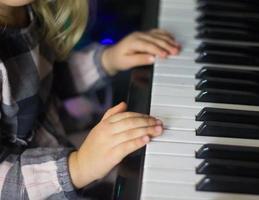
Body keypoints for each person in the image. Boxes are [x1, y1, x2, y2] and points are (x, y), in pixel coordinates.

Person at [0, 0, 180, 199]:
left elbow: (48, 77)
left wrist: (108, 59)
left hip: (58, 152)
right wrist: (79, 167)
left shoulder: (28, 10)